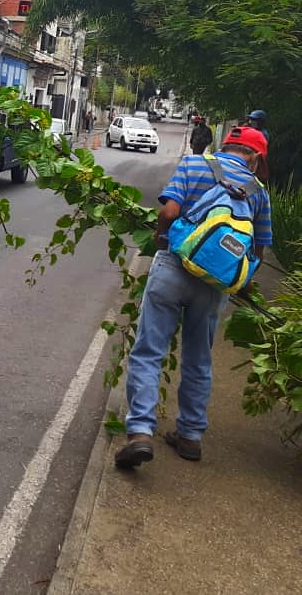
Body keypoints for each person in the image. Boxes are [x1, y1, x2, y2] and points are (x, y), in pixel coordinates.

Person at [115, 126, 272, 468]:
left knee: (148, 351)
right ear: (256, 158)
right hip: (214, 284)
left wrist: (159, 236)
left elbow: (169, 213)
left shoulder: (194, 165)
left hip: (173, 267)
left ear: (225, 145)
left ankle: (140, 432)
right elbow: (258, 248)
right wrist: (241, 283)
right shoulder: (258, 191)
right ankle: (190, 436)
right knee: (198, 358)